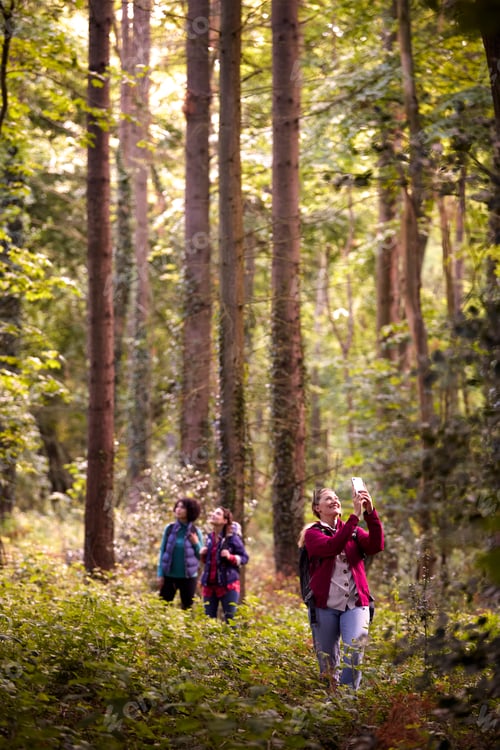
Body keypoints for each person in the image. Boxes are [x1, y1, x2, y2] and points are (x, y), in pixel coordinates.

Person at [300, 484, 384, 689]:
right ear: (317, 508)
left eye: (336, 498)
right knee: (328, 663)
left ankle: (348, 702)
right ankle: (332, 704)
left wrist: (370, 512)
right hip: (324, 606)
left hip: (356, 603)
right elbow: (332, 546)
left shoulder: (353, 531)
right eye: (328, 498)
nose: (334, 501)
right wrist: (354, 516)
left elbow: (376, 545)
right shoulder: (312, 534)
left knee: (354, 653)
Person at [200, 507, 249, 622]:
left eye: (218, 513)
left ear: (225, 520)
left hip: (228, 585)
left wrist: (230, 557)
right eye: (213, 512)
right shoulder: (209, 538)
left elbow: (244, 558)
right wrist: (203, 555)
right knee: (208, 621)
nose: (213, 514)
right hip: (209, 585)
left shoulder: (232, 539)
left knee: (230, 620)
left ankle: (234, 640)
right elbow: (210, 562)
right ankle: (210, 640)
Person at [157, 497, 203, 609]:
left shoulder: (196, 532)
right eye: (177, 506)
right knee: (162, 608)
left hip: (188, 578)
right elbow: (162, 552)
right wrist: (160, 574)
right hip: (169, 576)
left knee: (187, 610)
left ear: (190, 510)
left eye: (182, 507)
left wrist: (196, 543)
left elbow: (201, 556)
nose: (178, 509)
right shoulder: (169, 529)